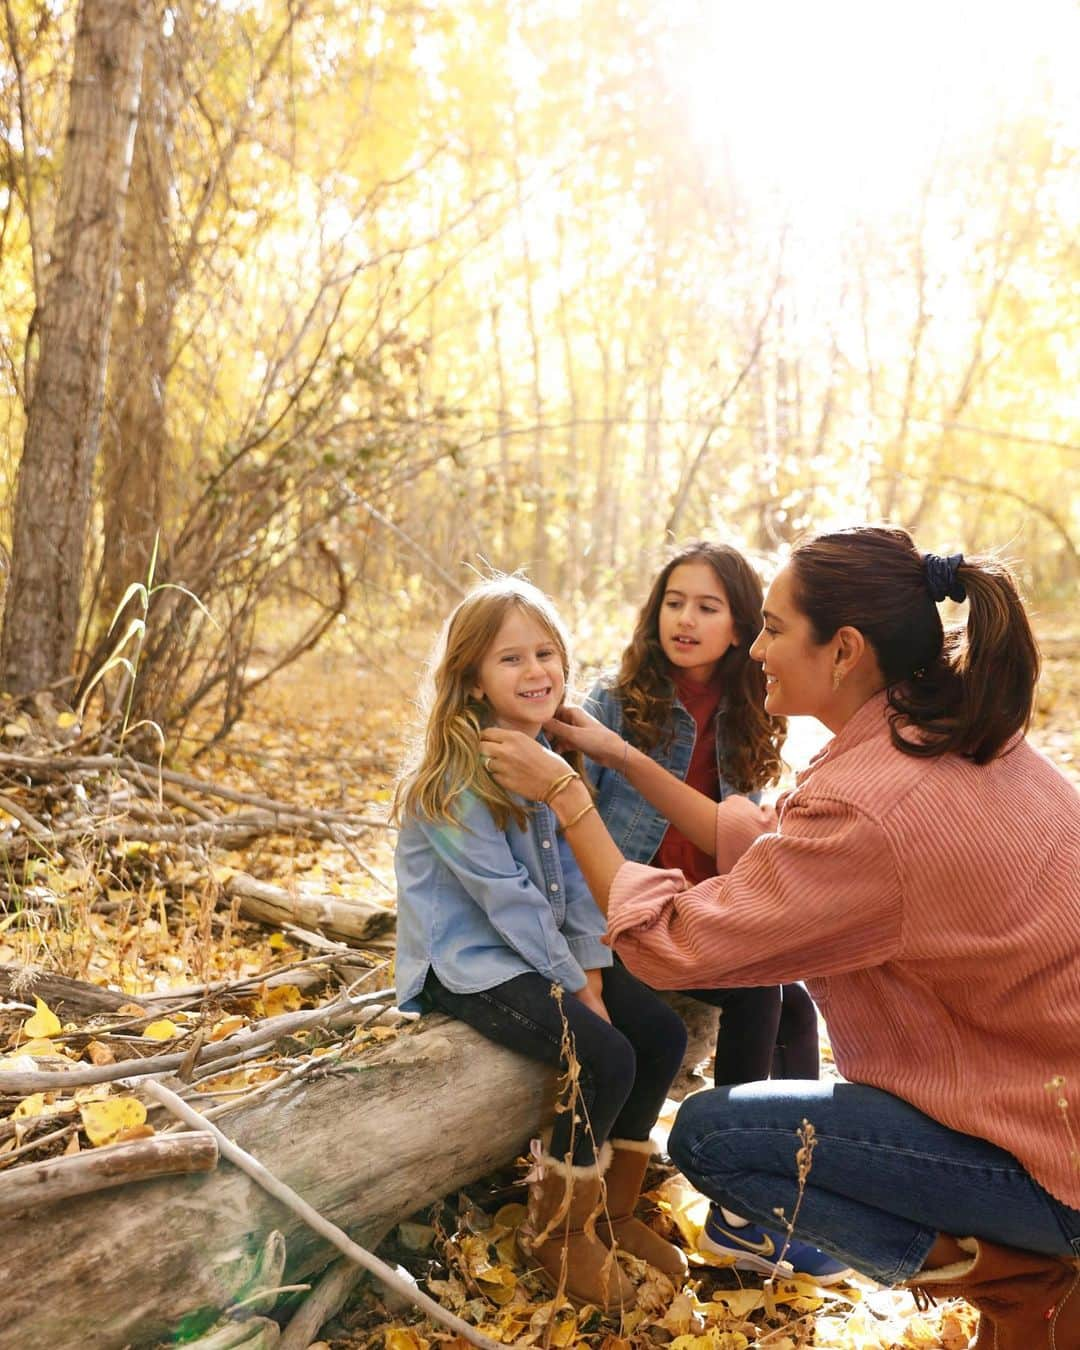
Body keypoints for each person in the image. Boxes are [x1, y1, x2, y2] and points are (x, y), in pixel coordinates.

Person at [479, 527, 1080, 1347]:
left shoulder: (872, 806)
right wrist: (618, 754)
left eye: (773, 627)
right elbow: (770, 846)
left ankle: (1029, 1283)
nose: (757, 647)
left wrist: (566, 796)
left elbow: (670, 942)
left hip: (1050, 1161)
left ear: (844, 652)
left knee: (718, 1139)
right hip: (1051, 1107)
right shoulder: (968, 738)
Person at [392, 576, 688, 1313]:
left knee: (660, 1031)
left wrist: (593, 968)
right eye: (511, 660)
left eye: (546, 653)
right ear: (471, 678)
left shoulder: (547, 754)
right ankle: (558, 1230)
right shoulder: (454, 777)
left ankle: (611, 1211)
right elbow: (510, 905)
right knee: (605, 1051)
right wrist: (582, 990)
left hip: (541, 947)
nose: (536, 673)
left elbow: (577, 886)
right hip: (469, 966)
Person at [583, 540, 849, 1282]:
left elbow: (748, 847)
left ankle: (789, 1190)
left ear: (742, 626)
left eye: (708, 607)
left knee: (795, 1006)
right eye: (674, 603)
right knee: (767, 991)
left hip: (695, 917)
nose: (686, 620)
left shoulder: (753, 712)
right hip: (627, 917)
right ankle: (738, 1202)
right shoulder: (615, 702)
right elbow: (571, 827)